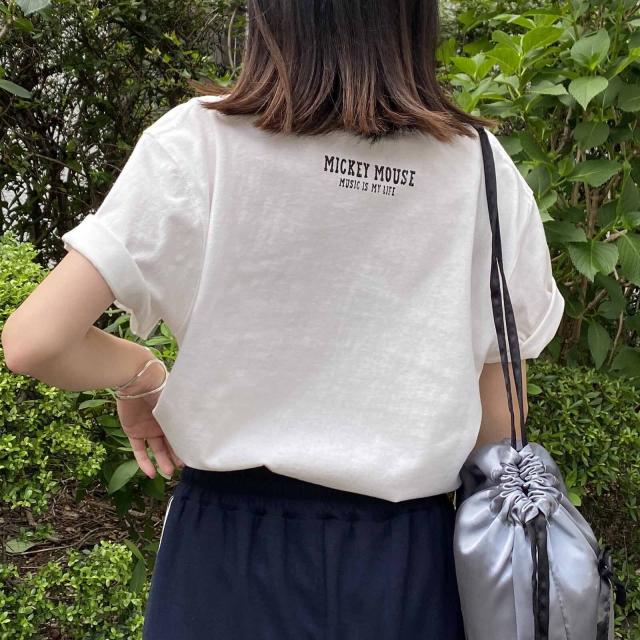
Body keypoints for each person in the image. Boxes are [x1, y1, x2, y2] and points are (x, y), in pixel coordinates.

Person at [1, 0, 565, 638]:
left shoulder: (200, 142)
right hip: (412, 565)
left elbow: (35, 341)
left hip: (224, 560)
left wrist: (140, 375)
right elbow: (500, 426)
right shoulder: (482, 168)